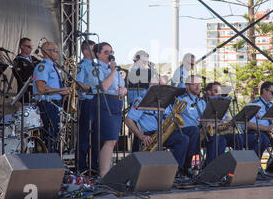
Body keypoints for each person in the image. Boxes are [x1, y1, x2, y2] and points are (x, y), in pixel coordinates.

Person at [125, 74, 190, 177]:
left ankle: (176, 171)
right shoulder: (141, 99)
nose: (165, 89)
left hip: (164, 132)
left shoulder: (166, 101)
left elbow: (169, 117)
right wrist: (141, 135)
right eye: (161, 85)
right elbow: (128, 120)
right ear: (152, 85)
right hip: (149, 134)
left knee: (184, 139)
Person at [87, 42, 127, 177]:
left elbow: (123, 85)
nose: (110, 55)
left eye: (111, 52)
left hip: (117, 102)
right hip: (104, 102)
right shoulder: (97, 69)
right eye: (106, 52)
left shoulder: (114, 69)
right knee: (109, 139)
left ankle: (106, 172)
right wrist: (112, 71)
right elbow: (103, 87)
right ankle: (104, 174)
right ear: (98, 54)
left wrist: (124, 90)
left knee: (114, 139)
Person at [32, 42, 70, 153]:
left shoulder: (54, 67)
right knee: (50, 134)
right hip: (47, 104)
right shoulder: (42, 66)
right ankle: (48, 163)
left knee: (56, 135)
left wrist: (62, 94)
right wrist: (60, 90)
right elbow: (40, 88)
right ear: (46, 52)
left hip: (55, 104)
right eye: (55, 50)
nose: (58, 53)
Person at [166, 75, 202, 175]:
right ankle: (188, 165)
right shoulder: (181, 100)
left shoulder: (202, 101)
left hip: (198, 132)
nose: (198, 87)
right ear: (187, 86)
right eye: (195, 84)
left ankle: (210, 170)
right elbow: (173, 117)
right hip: (183, 130)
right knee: (193, 131)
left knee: (217, 138)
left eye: (199, 84)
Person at [75, 39, 96, 173]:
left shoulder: (97, 65)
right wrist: (94, 89)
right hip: (87, 102)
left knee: (96, 136)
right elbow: (78, 83)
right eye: (94, 49)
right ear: (85, 51)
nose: (96, 52)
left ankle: (94, 166)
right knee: (84, 136)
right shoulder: (82, 65)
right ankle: (81, 168)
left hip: (97, 102)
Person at [12, 38, 40, 103]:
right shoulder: (17, 61)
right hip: (25, 93)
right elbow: (21, 77)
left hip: (37, 90)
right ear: (22, 46)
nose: (31, 48)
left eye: (31, 46)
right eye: (29, 46)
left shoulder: (34, 58)